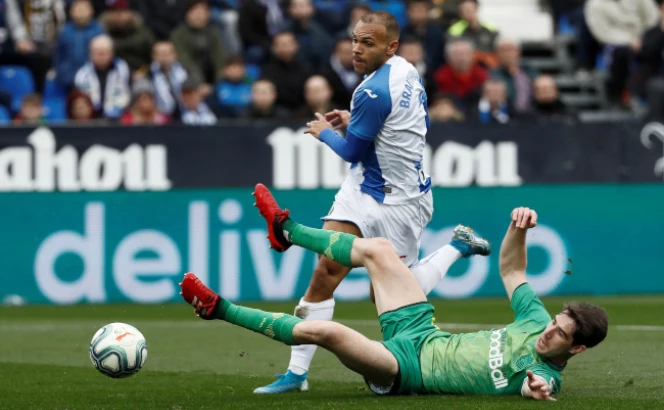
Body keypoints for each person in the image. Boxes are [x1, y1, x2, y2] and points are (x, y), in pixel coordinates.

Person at [180, 184, 609, 400]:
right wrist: (519, 228)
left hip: (406, 369)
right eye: (555, 322)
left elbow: (538, 389)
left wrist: (536, 391)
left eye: (560, 334)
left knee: (330, 332)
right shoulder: (535, 320)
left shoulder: (547, 374)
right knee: (378, 250)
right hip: (423, 332)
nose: (549, 331)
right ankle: (286, 229)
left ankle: (218, 308)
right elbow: (513, 269)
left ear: (576, 349)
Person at [253, 10, 448, 394]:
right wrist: (356, 120)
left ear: (391, 46)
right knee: (326, 271)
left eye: (367, 43)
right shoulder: (406, 71)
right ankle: (296, 374)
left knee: (388, 294)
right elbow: (400, 123)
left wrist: (324, 131)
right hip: (363, 189)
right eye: (355, 40)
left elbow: (351, 151)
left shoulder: (372, 92)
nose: (356, 49)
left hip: (401, 204)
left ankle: (454, 249)